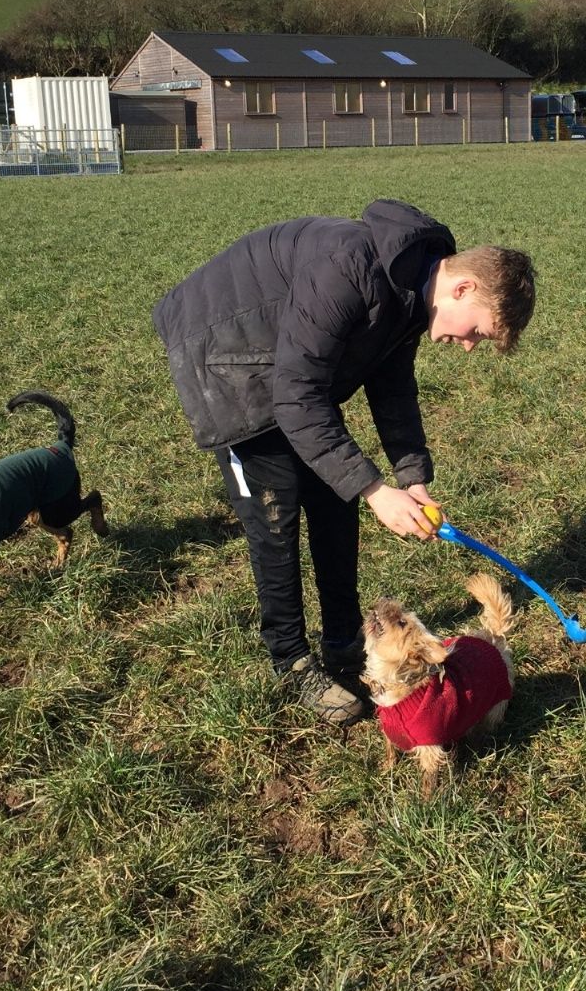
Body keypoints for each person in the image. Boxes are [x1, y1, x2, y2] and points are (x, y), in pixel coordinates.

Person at [152, 200, 536, 726]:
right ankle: (290, 660)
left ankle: (341, 641)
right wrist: (376, 490)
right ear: (463, 288)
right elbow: (296, 396)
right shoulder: (350, 268)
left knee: (336, 497)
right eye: (478, 332)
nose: (469, 346)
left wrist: (411, 479)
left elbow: (392, 388)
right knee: (276, 517)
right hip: (226, 356)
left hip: (292, 369)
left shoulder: (412, 290)